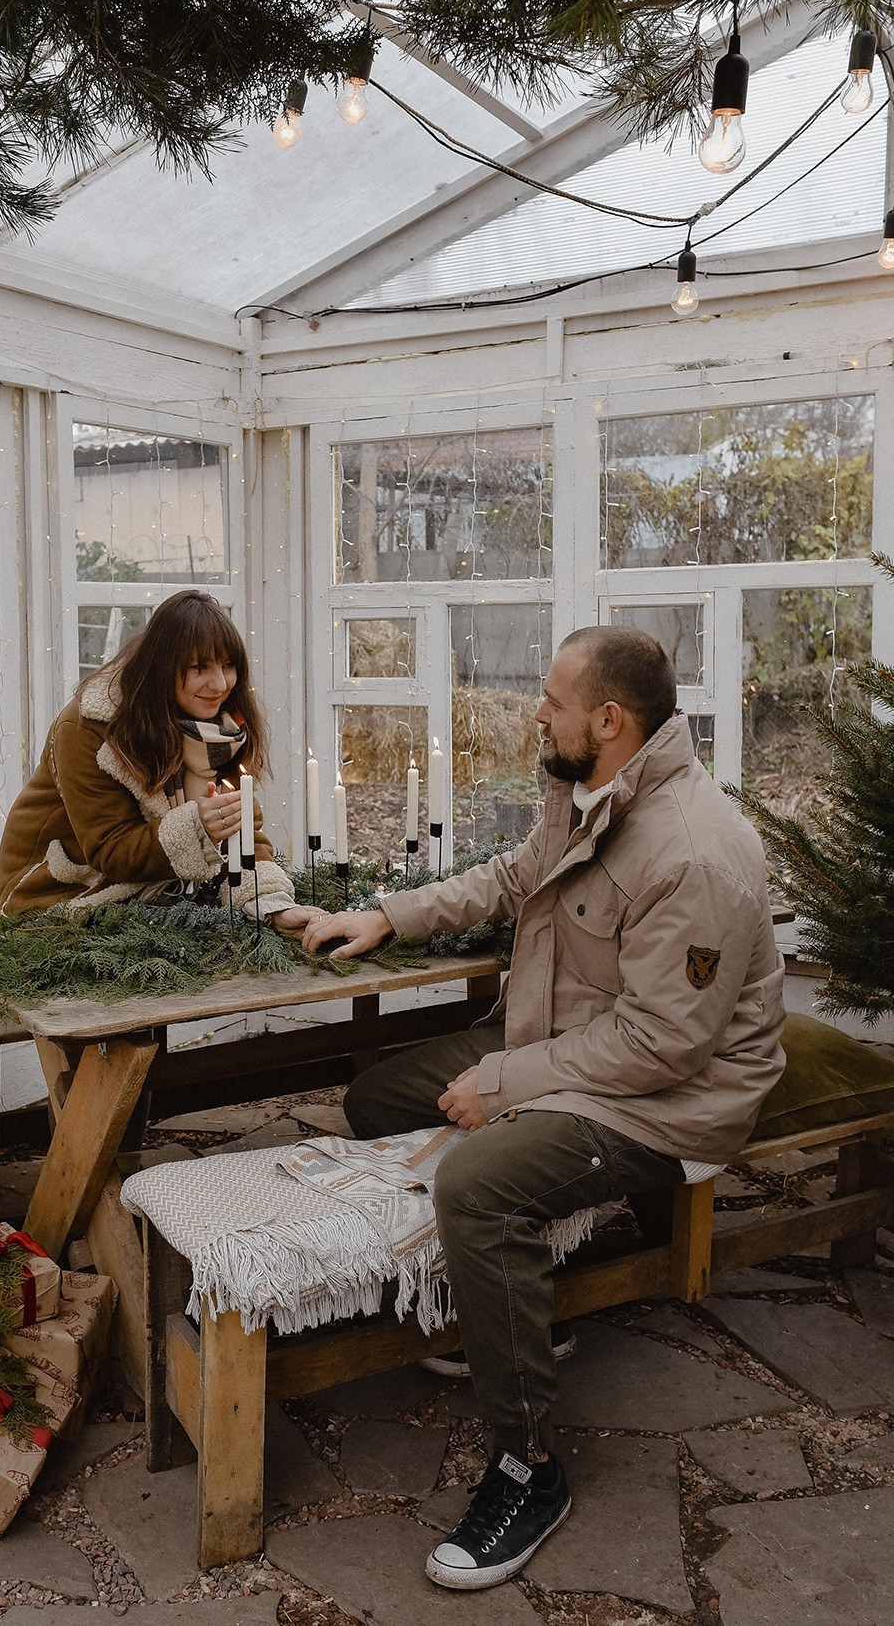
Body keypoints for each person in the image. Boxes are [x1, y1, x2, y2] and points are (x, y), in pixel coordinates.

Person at [299, 626, 786, 1591]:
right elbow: (515, 876)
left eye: (552, 700)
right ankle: (519, 1305)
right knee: (376, 1096)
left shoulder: (691, 852)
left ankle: (528, 1466)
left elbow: (664, 1045)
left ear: (608, 720)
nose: (536, 712)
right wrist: (387, 915)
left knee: (477, 1187)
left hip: (666, 1101)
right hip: (574, 1043)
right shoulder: (589, 787)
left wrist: (507, 1084)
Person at [0, 589, 315, 931]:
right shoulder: (89, 727)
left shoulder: (221, 730)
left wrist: (271, 905)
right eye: (199, 667)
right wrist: (198, 828)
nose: (219, 683)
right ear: (162, 668)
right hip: (60, 895)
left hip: (156, 895)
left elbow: (239, 832)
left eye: (228, 665)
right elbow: (110, 850)